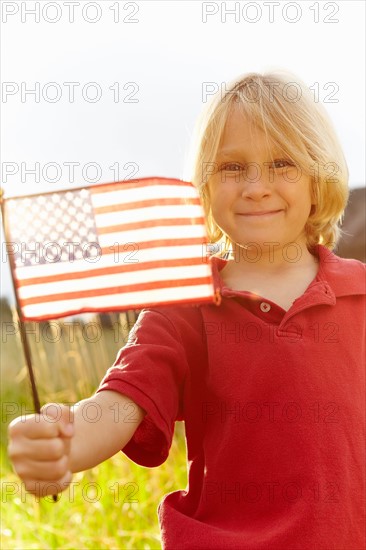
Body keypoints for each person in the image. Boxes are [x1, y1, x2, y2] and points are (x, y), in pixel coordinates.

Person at [8, 71, 365, 549]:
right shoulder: (184, 308)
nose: (256, 186)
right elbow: (120, 403)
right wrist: (62, 441)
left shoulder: (359, 293)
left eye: (283, 163)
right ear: (204, 185)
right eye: (232, 167)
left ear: (319, 179)